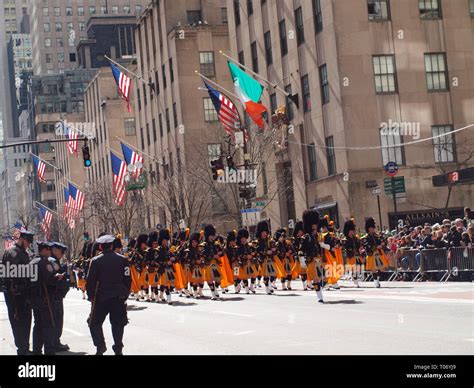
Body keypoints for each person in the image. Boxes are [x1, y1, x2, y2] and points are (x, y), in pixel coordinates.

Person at [86, 235, 131, 355]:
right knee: (118, 323)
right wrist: (125, 293)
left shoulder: (95, 261)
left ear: (100, 247)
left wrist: (91, 296)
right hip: (119, 296)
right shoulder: (123, 259)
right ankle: (118, 347)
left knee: (94, 322)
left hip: (101, 297)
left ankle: (100, 345)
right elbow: (128, 279)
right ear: (112, 246)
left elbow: (90, 281)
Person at [1, 230, 35, 355]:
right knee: (18, 321)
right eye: (27, 242)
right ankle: (22, 348)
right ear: (22, 239)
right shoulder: (12, 253)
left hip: (24, 293)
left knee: (26, 320)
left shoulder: (22, 253)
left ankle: (24, 346)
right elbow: (12, 275)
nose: (28, 245)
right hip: (15, 293)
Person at [30, 241, 61, 356]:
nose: (50, 253)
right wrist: (57, 278)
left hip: (34, 300)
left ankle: (37, 350)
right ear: (45, 250)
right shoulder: (44, 263)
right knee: (49, 326)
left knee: (37, 325)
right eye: (49, 250)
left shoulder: (31, 262)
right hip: (45, 299)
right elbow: (50, 281)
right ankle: (49, 351)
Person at [50, 242, 70, 352]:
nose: (62, 254)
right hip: (55, 296)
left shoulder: (53, 261)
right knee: (56, 320)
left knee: (56, 320)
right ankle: (55, 343)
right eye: (61, 252)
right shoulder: (53, 262)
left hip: (56, 296)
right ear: (55, 250)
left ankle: (54, 342)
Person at [302, 209, 324, 302]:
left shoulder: (317, 236)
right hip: (310, 259)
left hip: (318, 259)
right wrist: (302, 261)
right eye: (313, 225)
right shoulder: (306, 237)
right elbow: (301, 250)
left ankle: (319, 292)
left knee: (321, 276)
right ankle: (320, 297)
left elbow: (320, 246)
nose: (315, 226)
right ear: (310, 226)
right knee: (315, 278)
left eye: (315, 225)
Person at [201, 225, 223, 300]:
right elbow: (202, 254)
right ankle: (213, 293)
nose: (212, 237)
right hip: (208, 263)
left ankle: (216, 288)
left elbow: (222, 252)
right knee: (209, 279)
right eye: (210, 236)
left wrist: (220, 253)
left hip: (216, 263)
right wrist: (213, 256)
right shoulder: (203, 245)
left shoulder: (216, 244)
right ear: (207, 236)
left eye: (213, 236)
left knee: (218, 279)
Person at [343, 219, 364, 288]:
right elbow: (345, 248)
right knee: (354, 269)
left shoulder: (355, 238)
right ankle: (356, 282)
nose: (352, 232)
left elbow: (359, 245)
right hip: (350, 256)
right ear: (347, 231)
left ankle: (355, 279)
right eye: (350, 231)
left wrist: (360, 246)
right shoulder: (345, 239)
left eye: (352, 230)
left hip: (357, 255)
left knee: (358, 268)